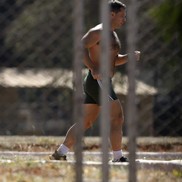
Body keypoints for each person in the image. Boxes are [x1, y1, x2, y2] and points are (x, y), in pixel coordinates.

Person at [49, 0, 141, 162]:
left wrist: (128, 57)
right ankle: (118, 157)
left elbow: (112, 59)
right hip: (99, 81)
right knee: (117, 117)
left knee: (86, 121)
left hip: (99, 81)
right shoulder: (99, 31)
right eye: (122, 15)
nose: (124, 19)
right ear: (111, 14)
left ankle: (61, 152)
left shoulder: (112, 33)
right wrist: (93, 67)